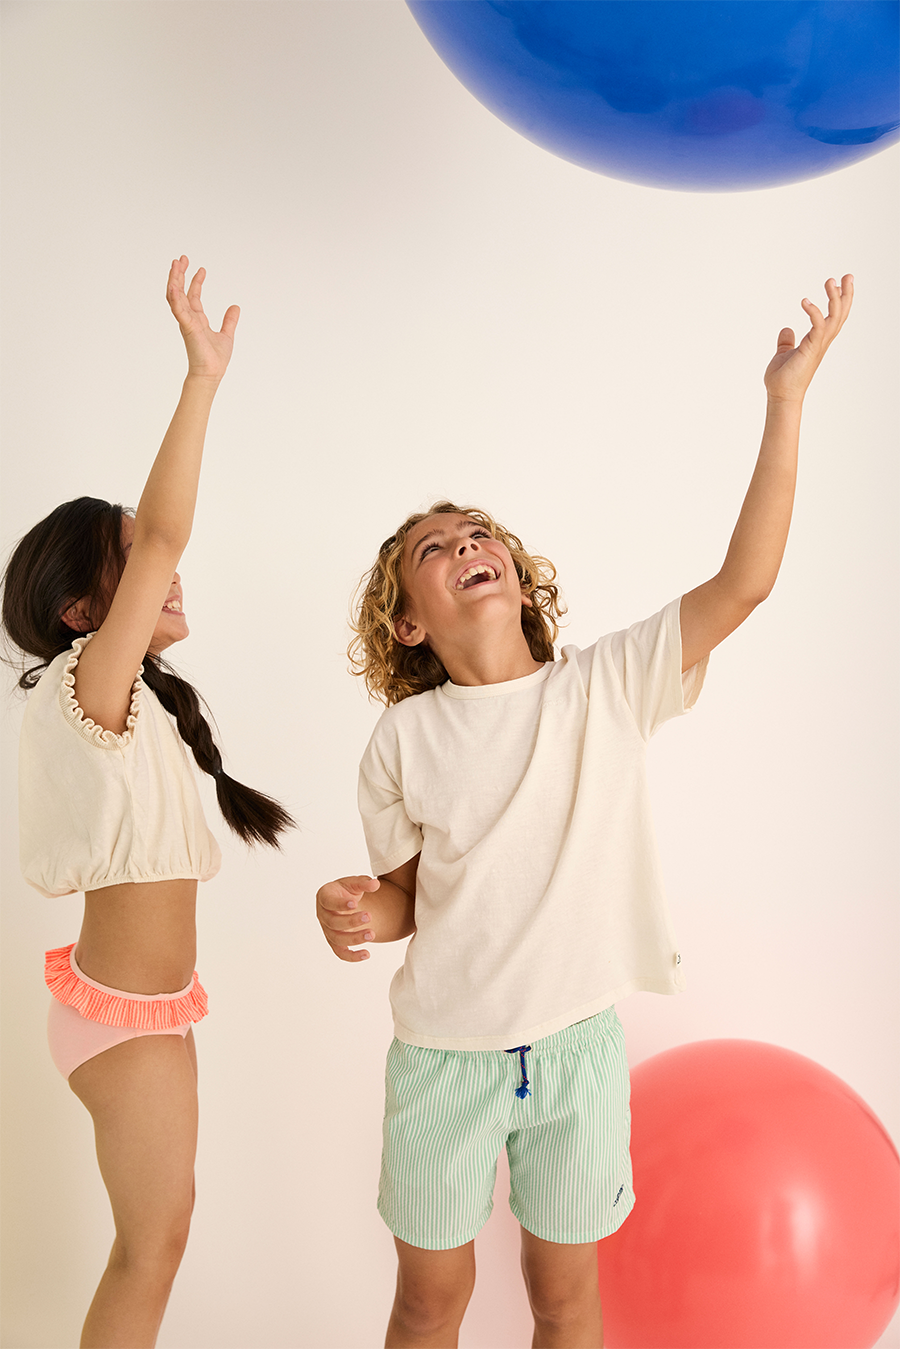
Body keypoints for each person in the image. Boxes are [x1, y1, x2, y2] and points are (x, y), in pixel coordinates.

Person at [316, 276, 853, 1349]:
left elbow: (744, 583)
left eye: (478, 534)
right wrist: (360, 912)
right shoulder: (403, 741)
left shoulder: (603, 686)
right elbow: (410, 899)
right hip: (443, 1059)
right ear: (408, 624)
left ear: (518, 579)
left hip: (577, 1053)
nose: (466, 544)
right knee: (428, 1301)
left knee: (565, 1301)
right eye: (434, 548)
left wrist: (785, 401)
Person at [1, 258, 293, 1349]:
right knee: (150, 1248)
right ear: (85, 611)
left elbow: (159, 545)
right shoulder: (87, 681)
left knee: (159, 1238)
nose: (161, 566)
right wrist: (201, 381)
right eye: (129, 560)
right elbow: (168, 534)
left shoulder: (136, 702)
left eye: (145, 548)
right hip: (121, 1015)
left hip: (146, 1009)